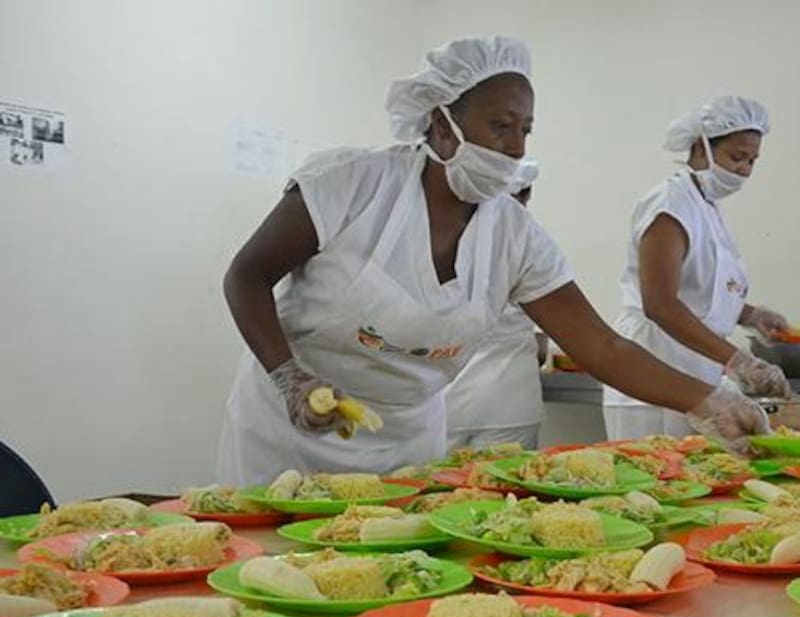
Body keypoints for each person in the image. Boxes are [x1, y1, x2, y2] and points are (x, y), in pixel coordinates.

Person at [216, 36, 767, 485]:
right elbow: (247, 274)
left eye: (525, 129)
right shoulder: (351, 185)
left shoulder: (515, 234)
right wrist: (289, 377)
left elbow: (601, 346)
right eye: (500, 126)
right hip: (291, 433)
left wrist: (708, 399)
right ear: (440, 124)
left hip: (405, 442)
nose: (516, 148)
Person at [602, 94, 793, 441]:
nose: (745, 170)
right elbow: (659, 304)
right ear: (702, 148)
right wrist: (740, 361)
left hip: (694, 365)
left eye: (752, 161)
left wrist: (749, 315)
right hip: (654, 366)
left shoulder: (704, 205)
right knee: (659, 476)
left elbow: (700, 290)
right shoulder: (671, 203)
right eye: (737, 157)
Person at [442, 158, 546, 451]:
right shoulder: (531, 244)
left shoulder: (449, 241)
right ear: (525, 196)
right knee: (504, 492)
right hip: (510, 402)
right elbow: (542, 346)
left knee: (442, 490)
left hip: (451, 402)